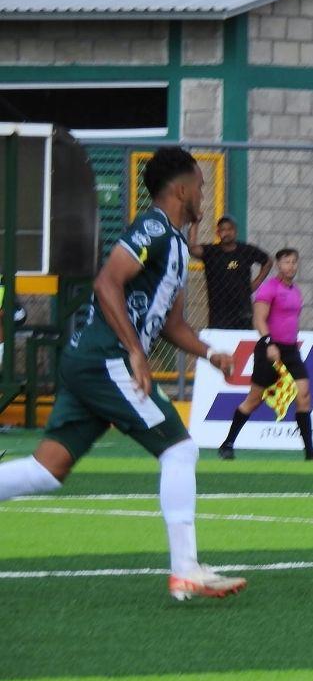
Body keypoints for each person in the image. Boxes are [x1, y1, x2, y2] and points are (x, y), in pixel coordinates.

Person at [0, 146, 244, 600]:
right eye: (201, 188)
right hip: (105, 359)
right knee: (179, 449)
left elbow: (171, 324)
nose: (204, 198)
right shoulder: (152, 227)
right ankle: (186, 568)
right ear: (184, 189)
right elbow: (106, 281)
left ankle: (187, 567)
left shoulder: (174, 244)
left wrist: (212, 355)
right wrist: (134, 350)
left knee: (47, 470)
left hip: (90, 363)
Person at [218, 248, 313, 461]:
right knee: (254, 400)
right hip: (269, 348)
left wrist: (289, 345)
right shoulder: (269, 288)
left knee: (304, 395)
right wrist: (269, 343)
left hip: (290, 350)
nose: (291, 266)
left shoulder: (296, 292)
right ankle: (227, 444)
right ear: (278, 265)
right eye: (287, 262)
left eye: (295, 262)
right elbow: (259, 319)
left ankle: (310, 452)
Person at [188, 215, 271, 330]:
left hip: (243, 311)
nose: (226, 232)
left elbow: (267, 261)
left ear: (235, 231)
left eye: (229, 229)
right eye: (223, 230)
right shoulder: (211, 252)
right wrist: (195, 223)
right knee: (219, 345)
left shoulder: (245, 250)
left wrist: (256, 283)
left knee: (243, 344)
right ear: (218, 233)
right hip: (219, 312)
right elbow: (192, 249)